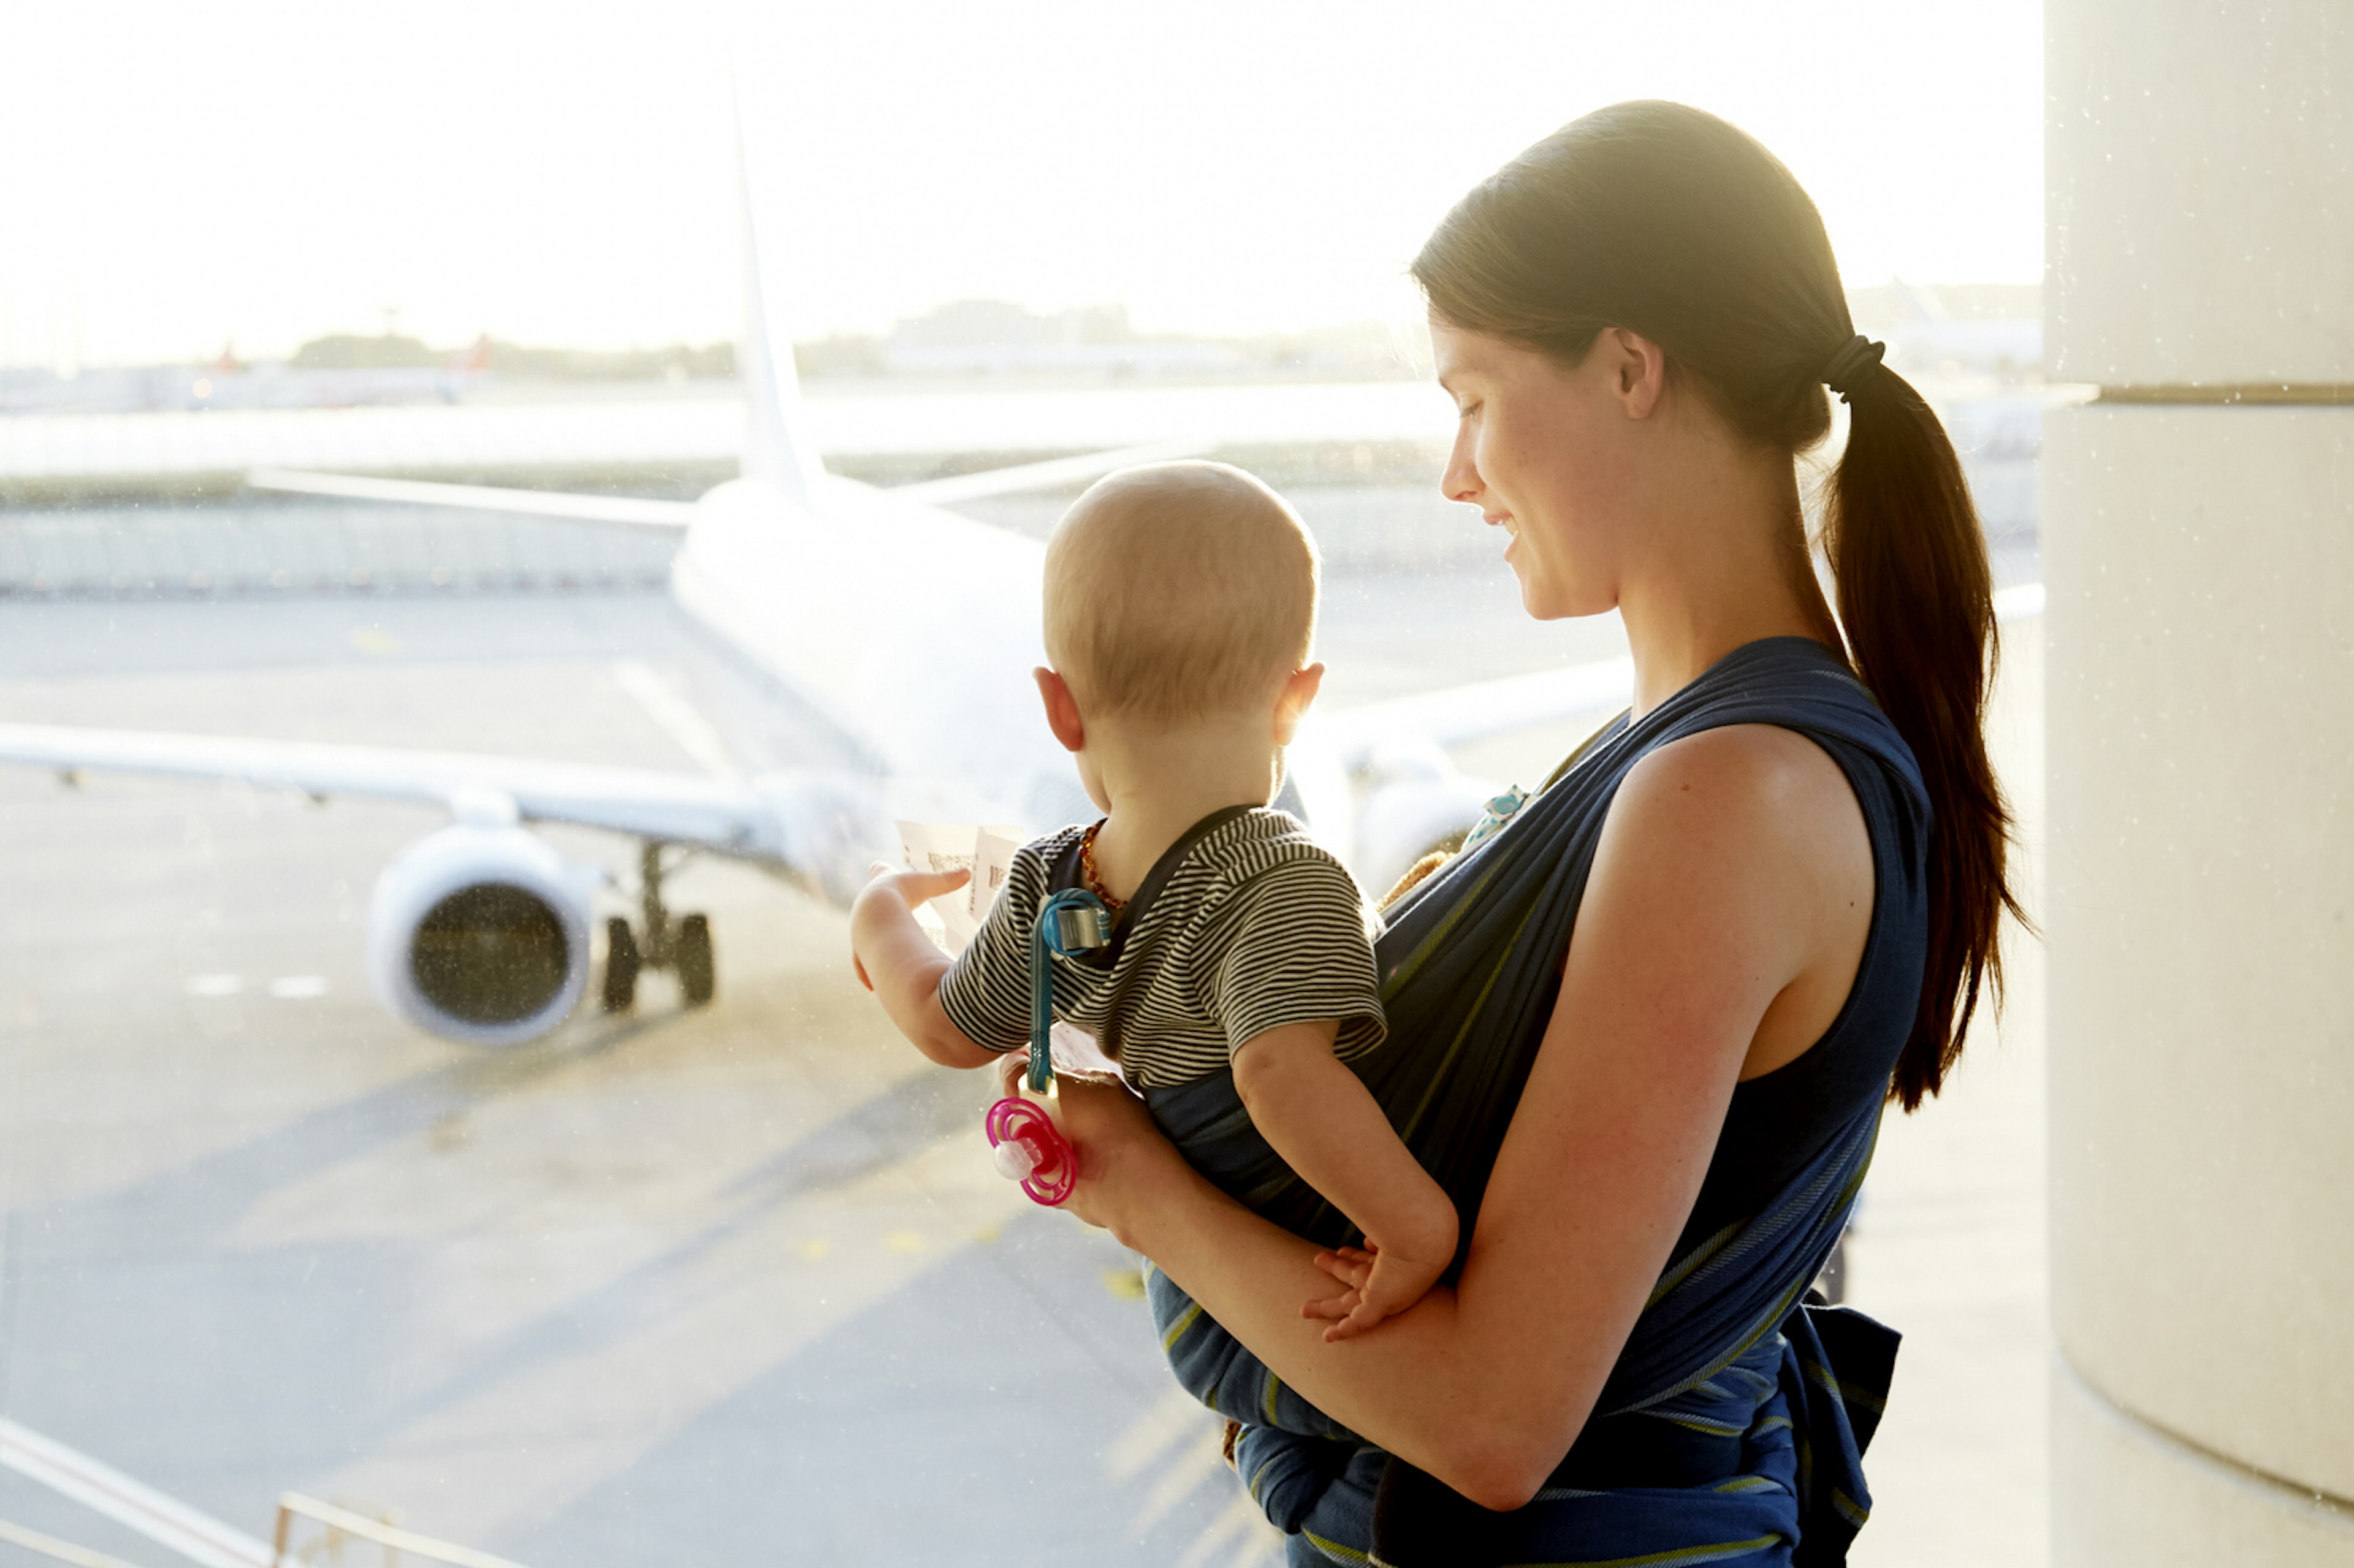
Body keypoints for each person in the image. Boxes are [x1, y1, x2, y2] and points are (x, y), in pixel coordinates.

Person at [1019, 101, 2024, 1567]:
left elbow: (1498, 1421)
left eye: (1476, 396)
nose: (1457, 471)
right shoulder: (1694, 751)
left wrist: (1131, 1185)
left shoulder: (1727, 793)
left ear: (1629, 366)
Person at [849, 460, 1461, 1338]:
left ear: (1061, 709)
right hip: (1291, 1271)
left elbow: (947, 1026)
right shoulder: (1289, 878)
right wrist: (1415, 1229)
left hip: (1201, 1301)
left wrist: (880, 919)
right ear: (1297, 700)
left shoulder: (1045, 882)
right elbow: (1277, 1070)